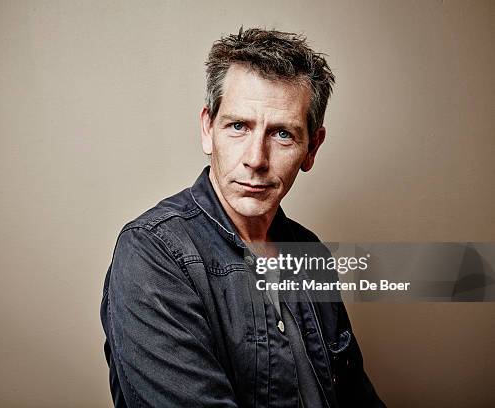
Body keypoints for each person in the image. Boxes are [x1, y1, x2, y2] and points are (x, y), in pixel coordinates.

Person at [100, 27, 385, 407]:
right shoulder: (152, 252)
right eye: (238, 126)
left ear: (312, 148)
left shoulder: (309, 252)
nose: (256, 158)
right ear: (207, 129)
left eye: (282, 134)